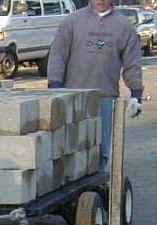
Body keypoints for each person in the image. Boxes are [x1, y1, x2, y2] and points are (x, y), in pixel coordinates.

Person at [47, 0, 143, 174]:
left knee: (101, 149)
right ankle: (72, 188)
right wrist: (55, 84)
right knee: (70, 147)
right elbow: (57, 54)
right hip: (73, 96)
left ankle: (98, 189)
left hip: (105, 98)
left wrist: (136, 93)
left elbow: (132, 62)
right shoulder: (72, 21)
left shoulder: (123, 26)